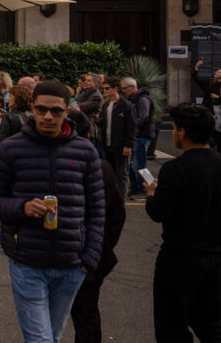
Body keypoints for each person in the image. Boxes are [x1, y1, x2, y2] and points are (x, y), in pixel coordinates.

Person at [0, 80, 105, 343]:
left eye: (56, 111)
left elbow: (97, 208)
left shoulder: (85, 151)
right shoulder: (10, 149)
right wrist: (22, 207)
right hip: (27, 262)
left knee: (53, 334)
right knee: (40, 338)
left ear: (66, 112)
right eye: (41, 109)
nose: (48, 116)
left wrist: (90, 257)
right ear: (33, 109)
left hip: (72, 264)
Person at [145, 103, 221, 342]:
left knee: (171, 325)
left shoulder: (175, 169)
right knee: (209, 322)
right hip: (217, 257)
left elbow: (159, 212)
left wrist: (151, 194)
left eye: (175, 128)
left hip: (180, 258)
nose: (174, 133)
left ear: (182, 132)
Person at [67, 110, 126, 343]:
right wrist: (101, 247)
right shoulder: (103, 167)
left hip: (81, 259)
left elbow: (115, 216)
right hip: (93, 257)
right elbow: (116, 216)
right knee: (86, 316)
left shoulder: (99, 168)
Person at [99, 77, 136, 199]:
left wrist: (128, 145)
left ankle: (121, 201)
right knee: (111, 174)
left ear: (115, 88)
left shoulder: (126, 106)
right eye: (103, 88)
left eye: (107, 88)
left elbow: (131, 127)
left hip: (121, 146)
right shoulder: (105, 106)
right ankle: (113, 199)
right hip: (108, 145)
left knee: (122, 175)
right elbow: (105, 125)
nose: (104, 90)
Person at [122, 78, 156, 195]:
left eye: (124, 88)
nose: (123, 91)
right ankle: (138, 186)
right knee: (134, 163)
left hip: (142, 135)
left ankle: (149, 187)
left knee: (140, 164)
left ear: (132, 87)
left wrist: (131, 127)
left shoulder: (142, 99)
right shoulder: (134, 99)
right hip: (139, 135)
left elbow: (143, 117)